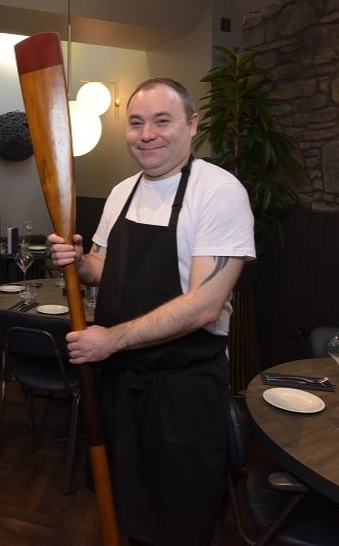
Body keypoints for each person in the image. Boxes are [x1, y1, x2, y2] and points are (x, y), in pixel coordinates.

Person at [49, 78, 255, 546]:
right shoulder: (122, 192)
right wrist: (78, 262)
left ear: (192, 124)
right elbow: (101, 267)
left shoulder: (219, 192)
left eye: (162, 121)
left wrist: (113, 338)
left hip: (183, 391)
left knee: (182, 513)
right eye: (137, 123)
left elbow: (205, 305)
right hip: (120, 383)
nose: (147, 134)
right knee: (124, 501)